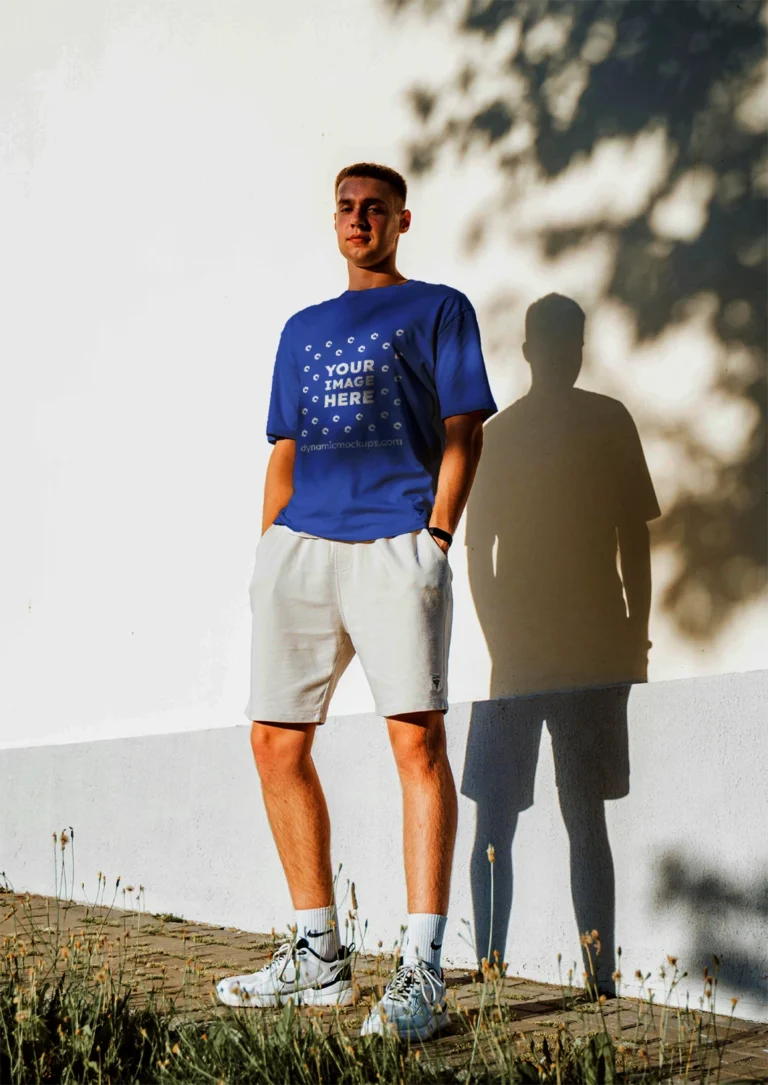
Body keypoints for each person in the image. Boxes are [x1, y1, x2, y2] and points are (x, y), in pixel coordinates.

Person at [216, 162, 497, 1040]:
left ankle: (422, 972)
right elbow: (286, 445)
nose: (358, 218)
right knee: (274, 739)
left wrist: (438, 537)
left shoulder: (439, 308)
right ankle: (318, 955)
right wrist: (270, 549)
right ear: (334, 219)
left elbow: (463, 428)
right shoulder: (303, 328)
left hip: (394, 544)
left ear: (402, 220)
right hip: (301, 549)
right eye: (345, 206)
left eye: (375, 207)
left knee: (416, 741)